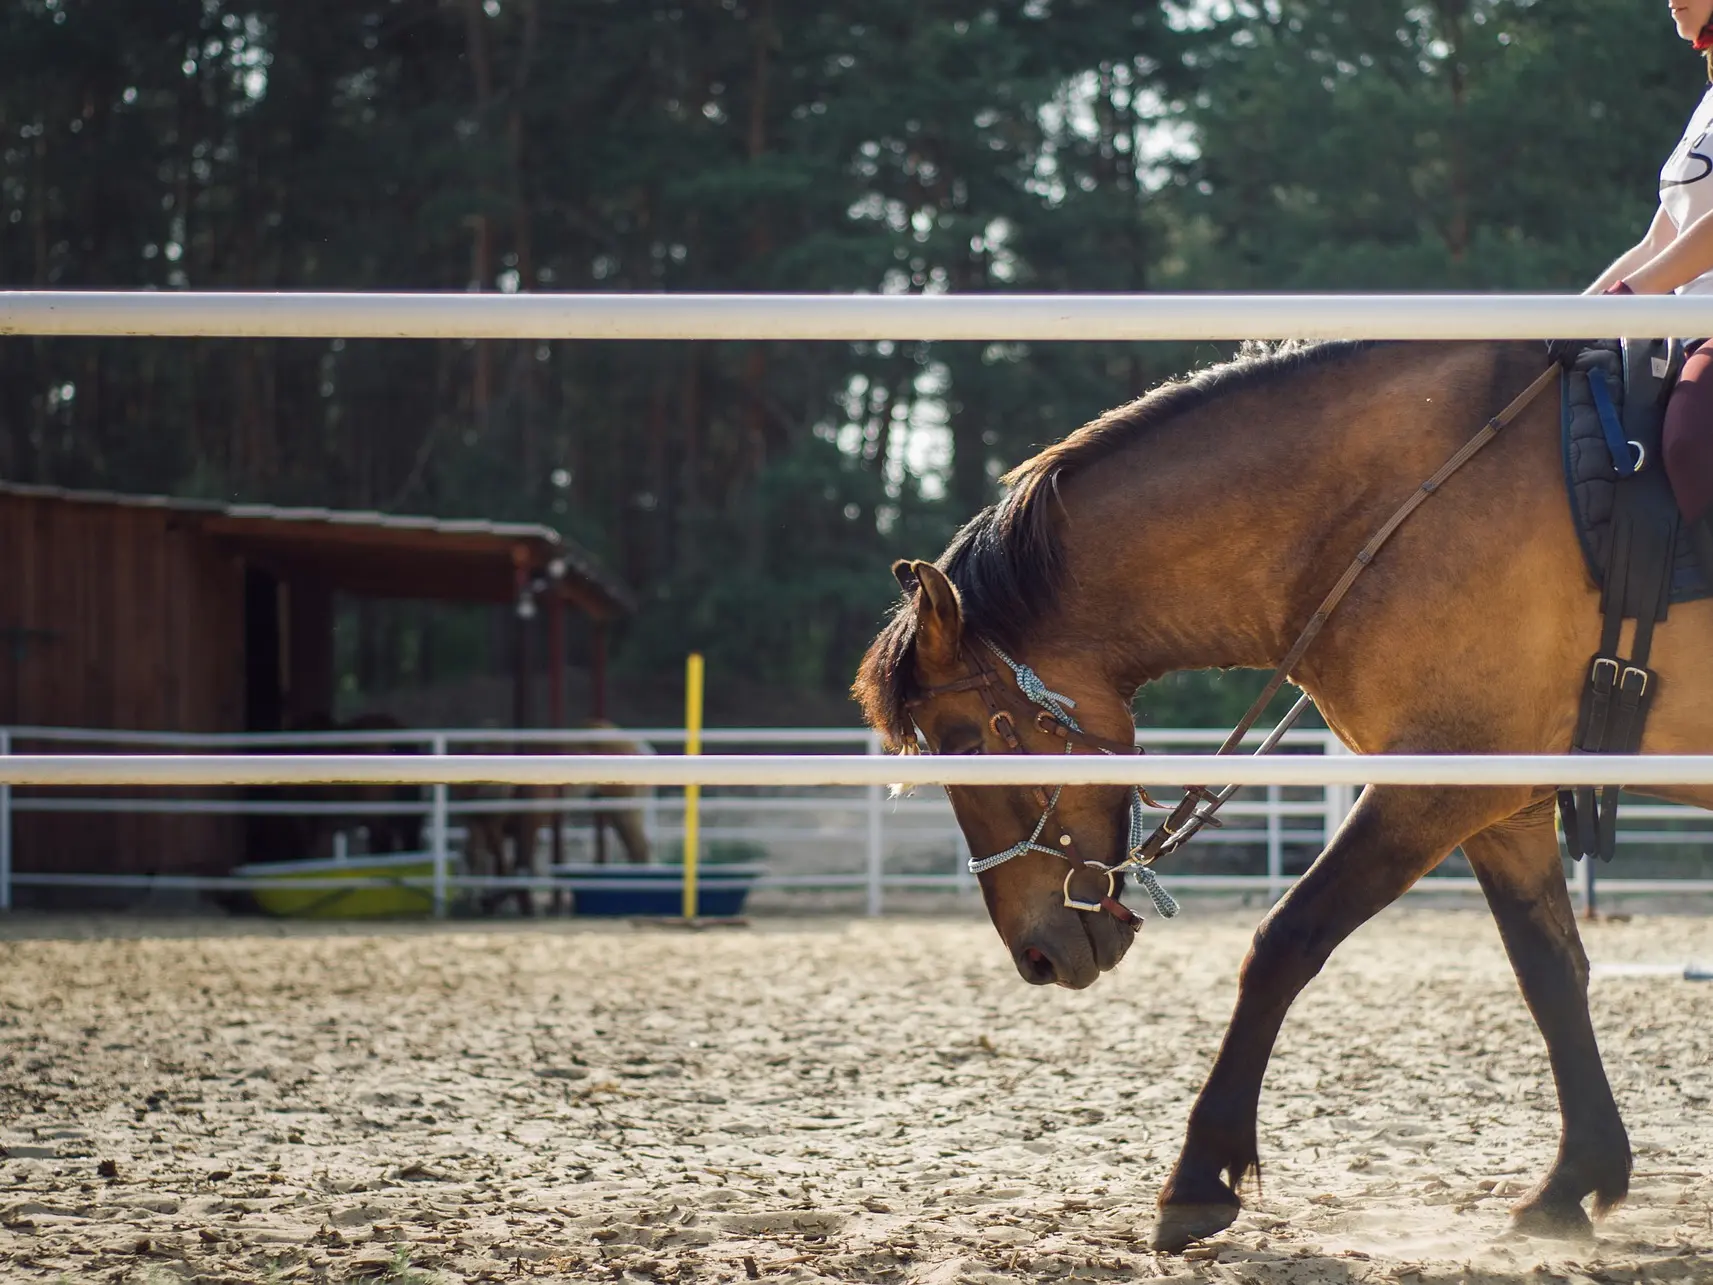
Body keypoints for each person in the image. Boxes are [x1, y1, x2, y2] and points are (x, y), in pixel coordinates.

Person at [1587, 0, 1713, 524]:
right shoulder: (1707, 105)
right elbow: (1658, 241)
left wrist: (1626, 300)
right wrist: (1572, 316)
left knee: (1689, 438)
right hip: (1690, 329)